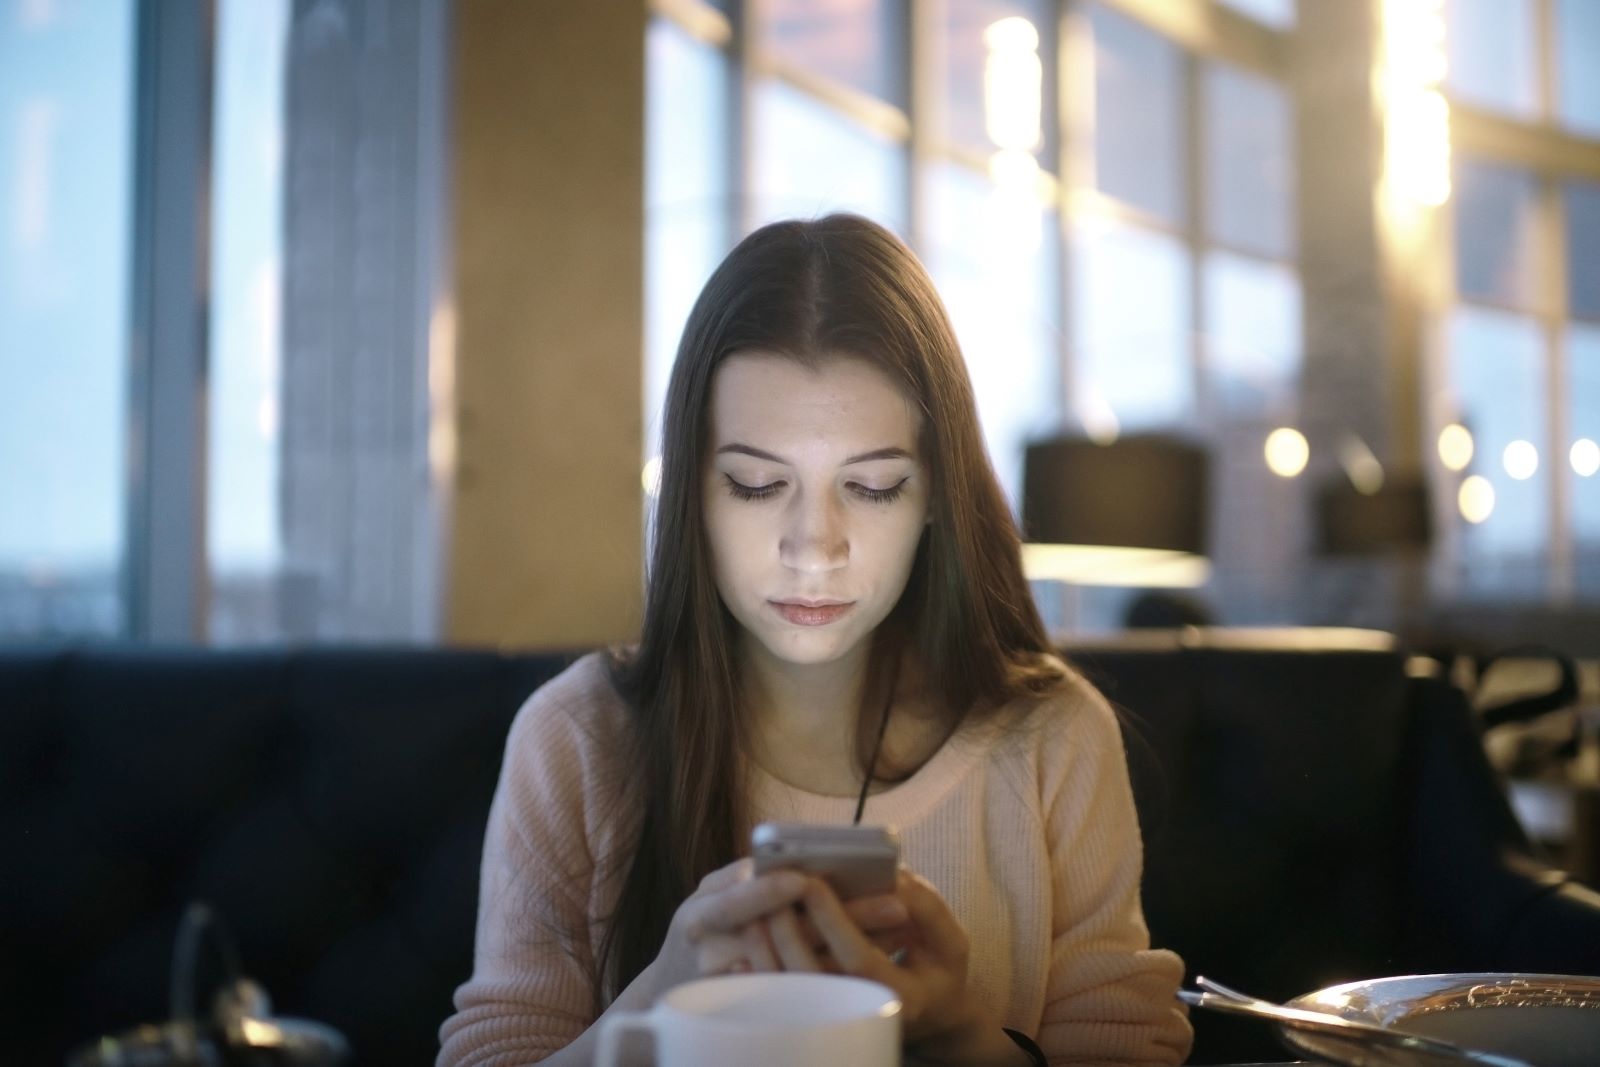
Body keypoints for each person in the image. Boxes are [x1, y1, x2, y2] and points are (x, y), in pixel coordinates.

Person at [437, 214, 1192, 1066]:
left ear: (936, 495)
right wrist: (663, 995)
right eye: (757, 485)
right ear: (694, 492)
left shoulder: (1054, 739)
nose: (814, 546)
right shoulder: (577, 738)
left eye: (870, 487)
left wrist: (958, 1032)